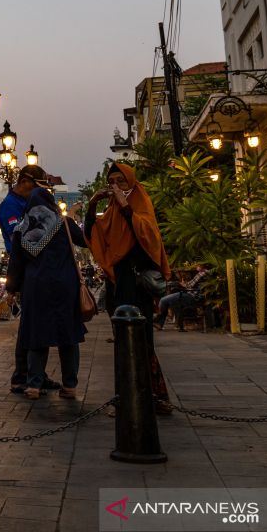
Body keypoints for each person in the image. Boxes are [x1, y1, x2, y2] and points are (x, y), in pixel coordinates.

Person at [85, 162, 173, 413]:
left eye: (121, 181)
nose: (116, 186)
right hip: (120, 284)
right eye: (112, 181)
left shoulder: (139, 200)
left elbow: (149, 235)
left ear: (131, 181)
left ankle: (153, 396)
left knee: (142, 341)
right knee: (125, 342)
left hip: (138, 285)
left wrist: (125, 204)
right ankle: (127, 397)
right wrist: (93, 204)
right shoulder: (112, 210)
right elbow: (93, 234)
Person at [9, 188, 87, 400]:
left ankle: (34, 385)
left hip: (36, 287)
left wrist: (11, 290)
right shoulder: (64, 224)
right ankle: (70, 386)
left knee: (37, 335)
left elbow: (15, 264)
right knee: (68, 335)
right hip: (65, 286)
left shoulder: (21, 229)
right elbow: (86, 240)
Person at [0, 164, 57, 394]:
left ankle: (36, 373)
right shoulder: (10, 207)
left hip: (38, 269)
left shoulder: (28, 203)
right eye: (38, 185)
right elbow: (20, 245)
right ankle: (23, 375)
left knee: (35, 324)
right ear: (24, 182)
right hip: (26, 270)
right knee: (30, 326)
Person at [156, 264, 209, 330]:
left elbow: (189, 285)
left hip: (191, 296)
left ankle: (159, 323)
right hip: (195, 296)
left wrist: (182, 284)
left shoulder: (201, 274)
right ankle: (161, 323)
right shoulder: (208, 273)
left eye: (197, 265)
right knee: (168, 300)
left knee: (163, 300)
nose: (196, 266)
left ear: (202, 266)